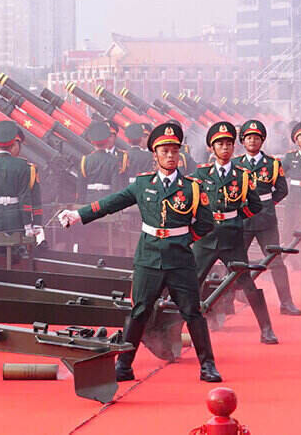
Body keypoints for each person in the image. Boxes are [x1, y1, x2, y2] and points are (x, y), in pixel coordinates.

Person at [56, 123, 222, 383]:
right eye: (164, 151)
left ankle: (208, 366)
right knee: (139, 311)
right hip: (148, 257)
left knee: (192, 312)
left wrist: (184, 239)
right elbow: (111, 203)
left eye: (174, 151)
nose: (170, 155)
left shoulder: (193, 187)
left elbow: (205, 223)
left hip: (180, 259)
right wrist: (78, 215)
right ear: (154, 155)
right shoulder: (143, 184)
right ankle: (124, 365)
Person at [192, 121, 278, 344]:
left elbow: (255, 205)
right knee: (192, 282)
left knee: (246, 281)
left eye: (229, 144)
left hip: (232, 236)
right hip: (207, 236)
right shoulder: (200, 174)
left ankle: (266, 329)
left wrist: (237, 218)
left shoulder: (243, 175)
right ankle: (184, 327)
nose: (225, 148)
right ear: (211, 148)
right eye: (220, 144)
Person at [235, 119, 301, 316]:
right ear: (243, 141)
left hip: (265, 220)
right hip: (243, 218)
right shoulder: (235, 164)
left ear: (262, 141)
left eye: (256, 138)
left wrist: (267, 204)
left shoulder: (272, 164)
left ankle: (286, 303)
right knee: (236, 261)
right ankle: (226, 301)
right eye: (249, 138)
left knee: (276, 261)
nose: (253, 141)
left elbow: (282, 190)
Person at [0, 120, 42, 235]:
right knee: (18, 252)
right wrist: (28, 225)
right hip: (16, 221)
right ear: (13, 144)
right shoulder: (25, 167)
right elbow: (24, 197)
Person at [78, 120, 130, 202]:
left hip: (90, 199)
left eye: (111, 135)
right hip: (106, 199)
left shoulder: (86, 159)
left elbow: (81, 186)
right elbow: (115, 186)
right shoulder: (114, 160)